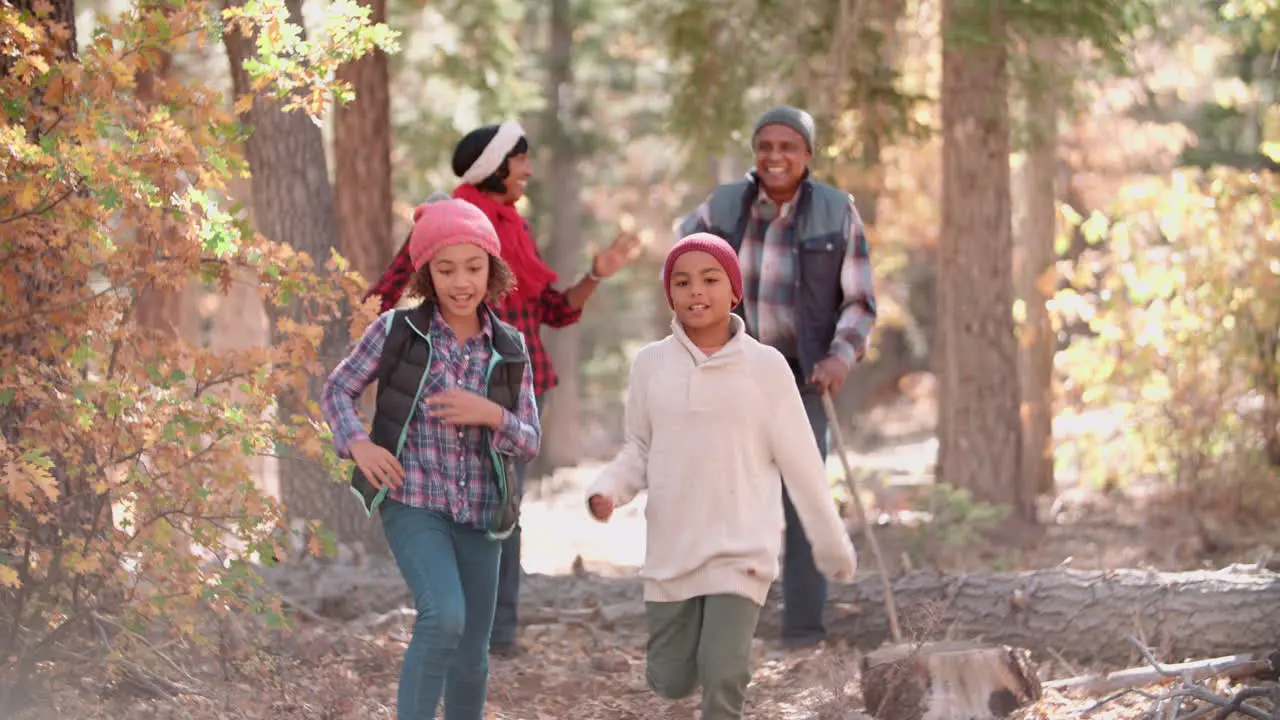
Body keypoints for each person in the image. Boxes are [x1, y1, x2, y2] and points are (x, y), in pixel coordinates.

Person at [365, 121, 641, 657]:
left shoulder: (518, 229)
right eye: (521, 160)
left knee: (501, 508)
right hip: (450, 388)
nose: (529, 170)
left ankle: (497, 634)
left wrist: (597, 274)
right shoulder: (444, 219)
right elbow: (388, 290)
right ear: (496, 166)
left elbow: (555, 312)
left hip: (516, 388)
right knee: (450, 505)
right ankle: (455, 623)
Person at [585, 232, 857, 720]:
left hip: (742, 548)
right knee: (670, 680)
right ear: (670, 294)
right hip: (672, 551)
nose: (696, 292)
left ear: (733, 291)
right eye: (683, 282)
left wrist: (830, 544)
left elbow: (803, 464)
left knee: (723, 671)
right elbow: (639, 449)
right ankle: (674, 670)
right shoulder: (650, 365)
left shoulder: (766, 367)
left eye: (710, 280)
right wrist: (608, 490)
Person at [322, 198, 541, 719]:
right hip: (413, 501)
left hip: (483, 514)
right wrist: (359, 443)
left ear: (493, 268)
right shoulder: (397, 331)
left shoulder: (508, 348)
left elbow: (530, 439)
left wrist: (490, 413)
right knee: (443, 617)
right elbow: (337, 391)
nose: (461, 281)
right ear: (426, 274)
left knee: (471, 655)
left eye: (473, 267)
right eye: (446, 269)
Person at [674, 105, 877, 649]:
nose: (775, 157)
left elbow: (859, 302)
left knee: (805, 501)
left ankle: (803, 634)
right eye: (765, 146)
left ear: (807, 155)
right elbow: (679, 262)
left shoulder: (836, 212)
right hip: (731, 371)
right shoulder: (722, 207)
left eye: (788, 147)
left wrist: (841, 356)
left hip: (802, 377)